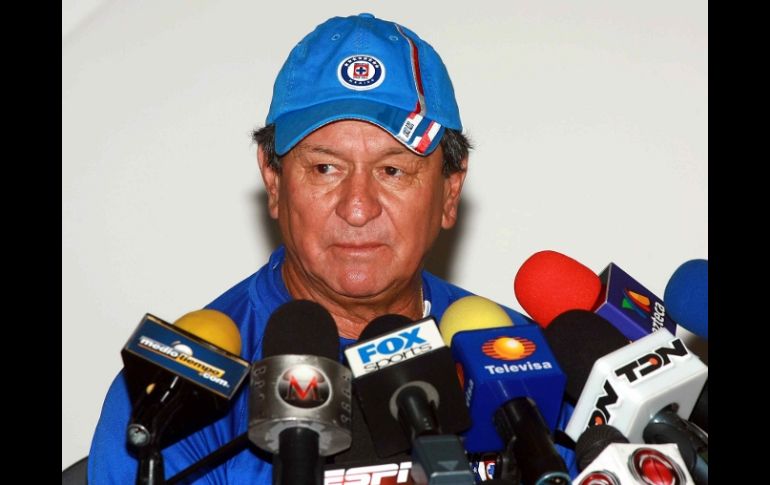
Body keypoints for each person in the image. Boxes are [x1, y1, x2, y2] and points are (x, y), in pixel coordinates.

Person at [89, 13, 577, 483]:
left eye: (392, 170)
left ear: (450, 191)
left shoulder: (522, 366)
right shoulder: (175, 395)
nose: (358, 207)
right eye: (325, 168)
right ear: (273, 180)